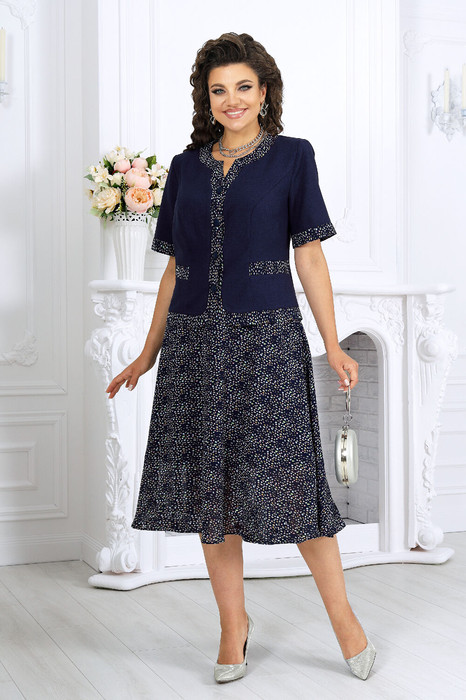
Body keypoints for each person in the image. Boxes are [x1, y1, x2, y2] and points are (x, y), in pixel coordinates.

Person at [106, 32, 376, 684]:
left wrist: (332, 342)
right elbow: (176, 269)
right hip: (194, 346)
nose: (232, 100)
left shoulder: (292, 157)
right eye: (218, 89)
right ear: (206, 97)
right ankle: (233, 626)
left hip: (267, 340)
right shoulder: (185, 167)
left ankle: (344, 620)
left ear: (265, 92)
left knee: (294, 485)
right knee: (213, 492)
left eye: (243, 87)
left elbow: (309, 255)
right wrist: (146, 353)